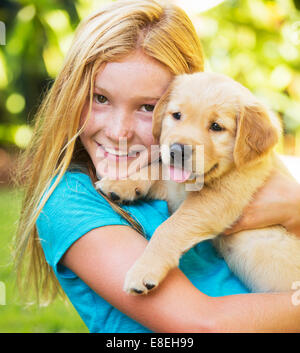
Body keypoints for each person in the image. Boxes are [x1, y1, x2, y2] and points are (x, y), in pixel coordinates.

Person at [14, 0, 300, 333]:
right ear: (69, 95)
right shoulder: (71, 202)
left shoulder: (208, 170)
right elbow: (203, 326)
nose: (119, 131)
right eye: (100, 98)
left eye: (147, 107)